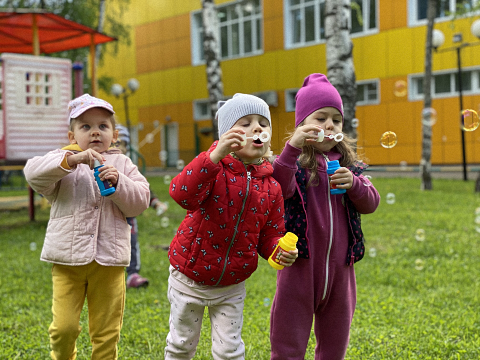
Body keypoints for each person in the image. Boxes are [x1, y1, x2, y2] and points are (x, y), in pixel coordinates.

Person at [164, 93, 298, 360]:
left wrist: (277, 250)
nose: (257, 128)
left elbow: (270, 233)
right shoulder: (212, 167)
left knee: (229, 351)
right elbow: (181, 194)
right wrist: (214, 156)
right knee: (181, 345)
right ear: (228, 135)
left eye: (263, 122)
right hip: (189, 276)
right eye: (246, 122)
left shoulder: (272, 186)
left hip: (232, 284)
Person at [24, 94, 150, 360]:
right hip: (67, 264)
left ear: (114, 135)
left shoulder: (124, 165)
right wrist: (71, 160)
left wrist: (119, 184)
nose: (95, 132)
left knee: (106, 333)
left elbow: (139, 203)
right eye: (86, 127)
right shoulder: (63, 162)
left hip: (110, 264)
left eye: (102, 126)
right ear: (72, 134)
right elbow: (32, 174)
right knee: (63, 328)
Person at [269, 74, 380, 360]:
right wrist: (291, 148)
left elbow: (371, 203)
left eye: (336, 119)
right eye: (320, 117)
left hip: (341, 274)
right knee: (288, 343)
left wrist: (354, 184)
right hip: (300, 270)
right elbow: (279, 188)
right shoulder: (294, 164)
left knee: (334, 346)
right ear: (302, 125)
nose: (329, 125)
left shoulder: (348, 167)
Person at [115, 124, 169, 288]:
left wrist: (154, 202)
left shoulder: (129, 167)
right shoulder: (98, 164)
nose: (116, 147)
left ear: (126, 147)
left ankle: (132, 274)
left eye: (120, 144)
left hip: (128, 215)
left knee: (131, 243)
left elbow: (143, 187)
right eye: (113, 143)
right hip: (108, 215)